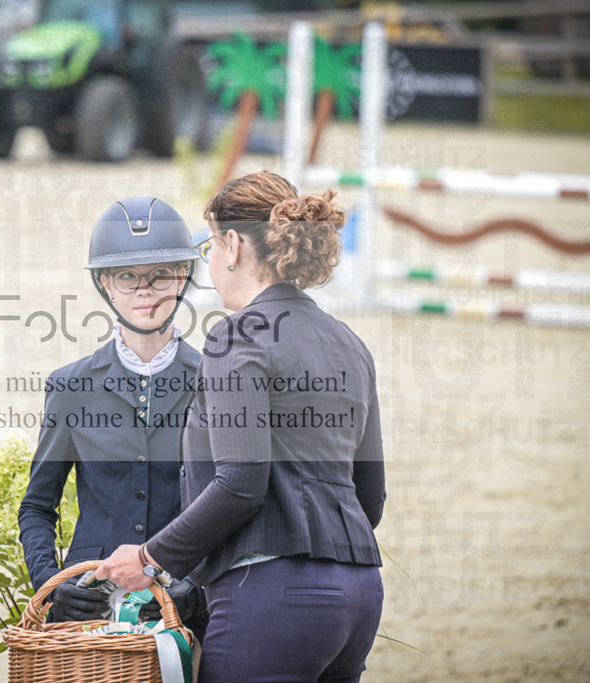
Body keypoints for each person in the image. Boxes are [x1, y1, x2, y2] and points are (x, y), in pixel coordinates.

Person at [98, 171, 387, 682]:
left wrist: (149, 558)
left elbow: (240, 483)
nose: (209, 260)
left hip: (273, 598)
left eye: (209, 245)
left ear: (232, 245)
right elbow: (371, 497)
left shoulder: (237, 337)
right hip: (361, 594)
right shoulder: (350, 343)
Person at [18, 195, 207, 636]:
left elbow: (231, 501)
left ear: (182, 277)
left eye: (160, 275)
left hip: (178, 607)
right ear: (105, 283)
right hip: (88, 609)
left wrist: (197, 590)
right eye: (127, 276)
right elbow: (37, 507)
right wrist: (51, 585)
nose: (144, 290)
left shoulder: (213, 381)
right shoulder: (70, 387)